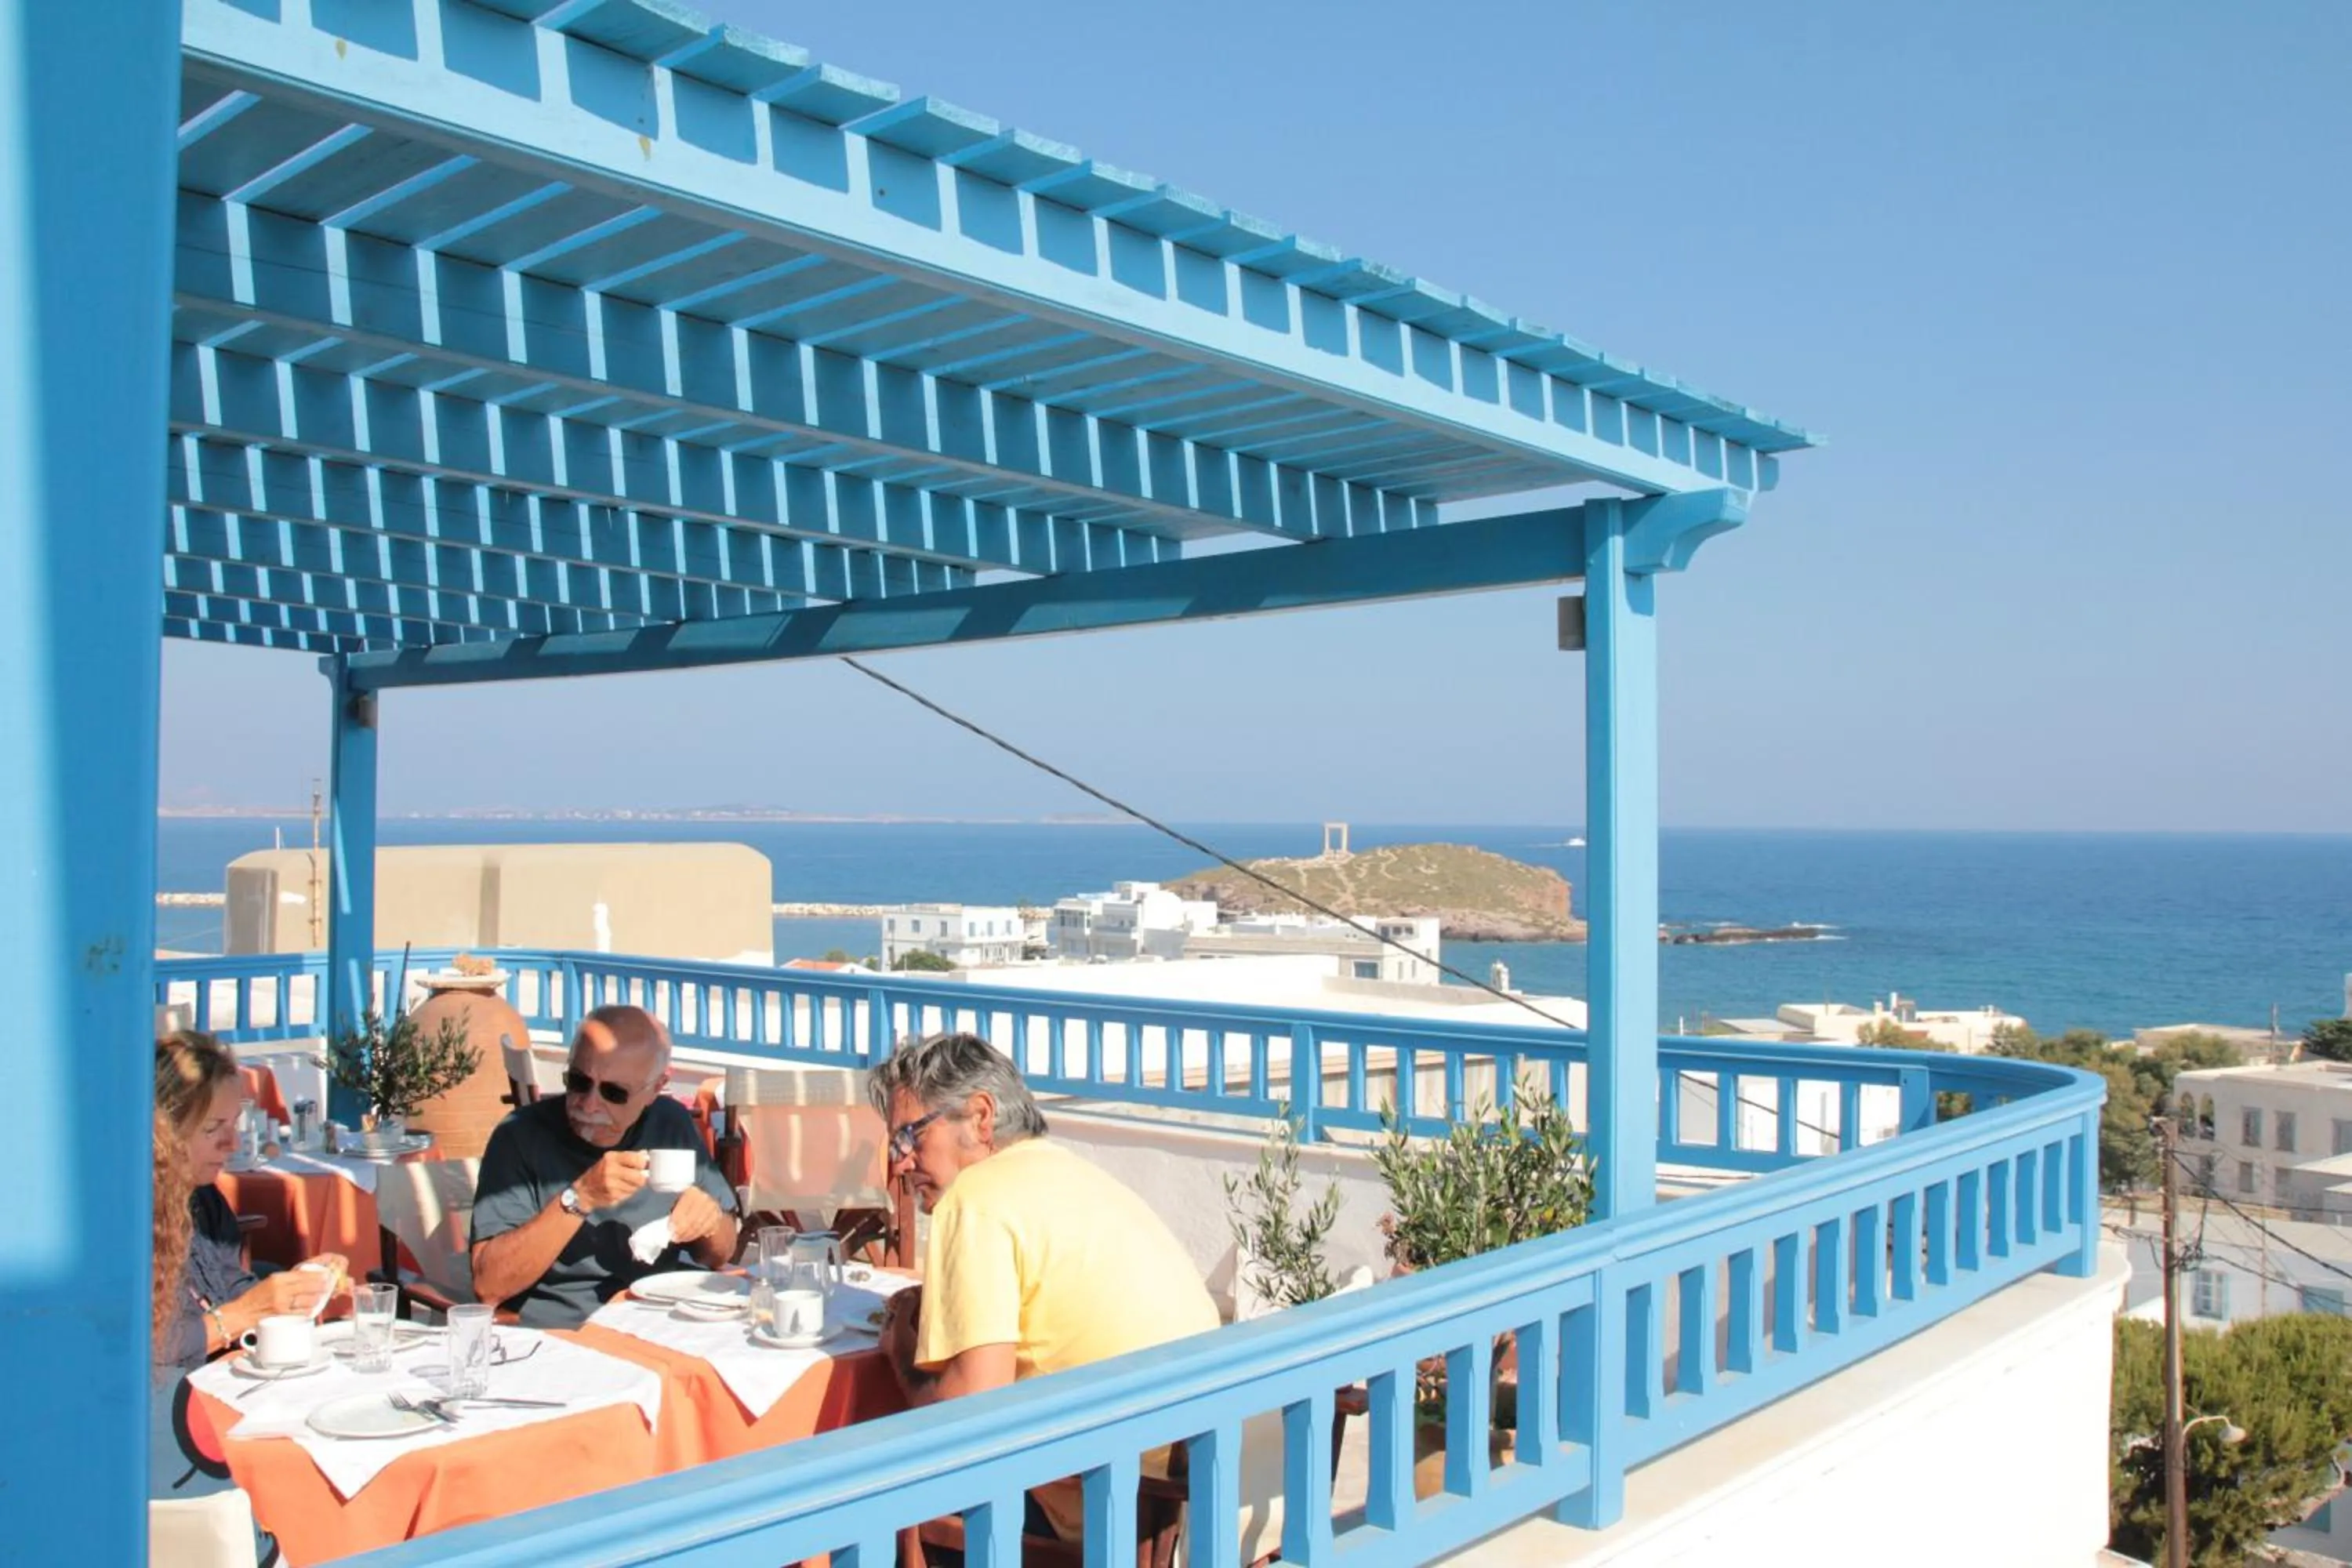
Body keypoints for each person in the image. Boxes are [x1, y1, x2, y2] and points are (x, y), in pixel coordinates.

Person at [868, 1031, 1281, 1551]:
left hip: (1106, 1506)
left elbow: (969, 1415)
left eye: (911, 1136)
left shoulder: (975, 1199)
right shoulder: (1071, 1172)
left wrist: (901, 1353)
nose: (901, 1162)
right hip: (1195, 1487)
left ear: (980, 1117)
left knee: (868, 1497)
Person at [152, 1031, 346, 1565]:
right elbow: (153, 1347)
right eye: (213, 1128)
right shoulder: (125, 1215)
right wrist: (249, 1312)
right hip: (175, 1443)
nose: (231, 1143)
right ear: (161, 1130)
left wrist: (293, 1291)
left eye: (232, 1124)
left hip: (229, 1405)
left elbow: (228, 1289)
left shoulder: (202, 1199)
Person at [470, 1004, 739, 1327]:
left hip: (661, 1322)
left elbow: (721, 1254)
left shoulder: (671, 1124)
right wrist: (579, 1198)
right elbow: (489, 1286)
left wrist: (708, 1222)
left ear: (656, 1087)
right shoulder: (520, 1135)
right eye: (579, 1082)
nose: (589, 1103)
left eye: (614, 1092)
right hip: (567, 1330)